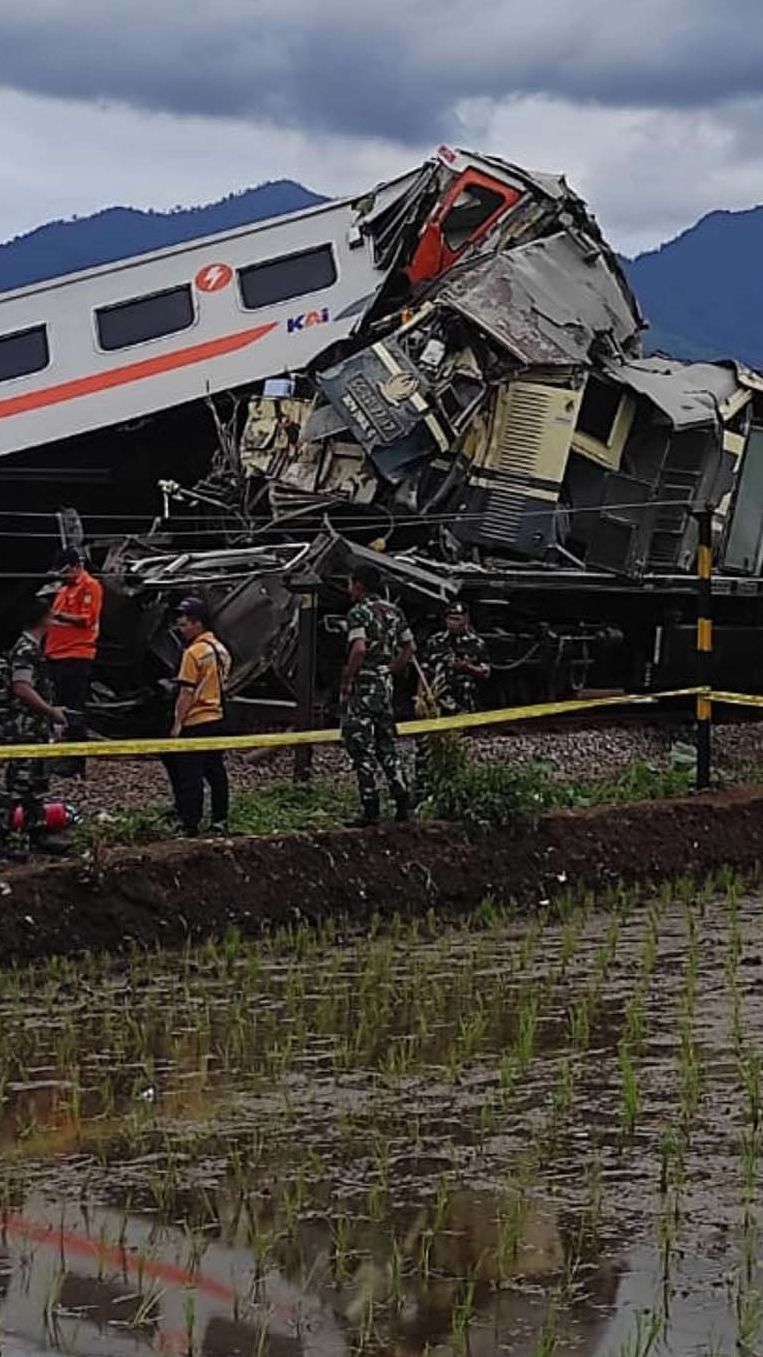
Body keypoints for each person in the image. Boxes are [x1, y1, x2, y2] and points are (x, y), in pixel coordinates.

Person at [340, 563, 414, 826]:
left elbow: (359, 649)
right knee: (387, 746)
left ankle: (370, 807)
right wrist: (391, 669)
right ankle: (403, 801)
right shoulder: (394, 612)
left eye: (350, 583)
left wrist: (348, 679)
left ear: (358, 585)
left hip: (364, 688)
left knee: (361, 747)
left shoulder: (358, 613)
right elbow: (409, 646)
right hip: (385, 687)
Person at [3, 598, 68, 856]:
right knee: (17, 784)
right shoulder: (26, 650)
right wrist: (51, 711)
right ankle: (5, 837)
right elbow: (22, 687)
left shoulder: (31, 648)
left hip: (33, 726)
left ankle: (37, 832)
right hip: (23, 727)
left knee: (33, 783)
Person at [162, 597, 231, 837]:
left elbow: (186, 691)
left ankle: (190, 823)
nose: (181, 629)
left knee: (190, 775)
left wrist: (177, 723)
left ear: (198, 624)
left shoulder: (193, 653)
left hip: (196, 719)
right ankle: (220, 819)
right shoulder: (221, 650)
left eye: (185, 625)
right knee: (215, 771)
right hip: (218, 717)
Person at [46, 547, 103, 777]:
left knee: (74, 709)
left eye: (67, 571)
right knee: (59, 709)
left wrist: (56, 616)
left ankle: (76, 761)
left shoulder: (90, 586)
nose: (63, 576)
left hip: (76, 655)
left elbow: (86, 619)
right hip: (57, 655)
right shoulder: (63, 590)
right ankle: (62, 755)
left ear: (78, 566)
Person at [420, 602, 491, 714]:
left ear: (466, 620)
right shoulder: (435, 641)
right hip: (439, 701)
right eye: (450, 619)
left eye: (457, 619)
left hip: (465, 701)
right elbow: (424, 671)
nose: (453, 623)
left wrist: (467, 668)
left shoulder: (476, 643)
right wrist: (420, 697)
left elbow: (485, 672)